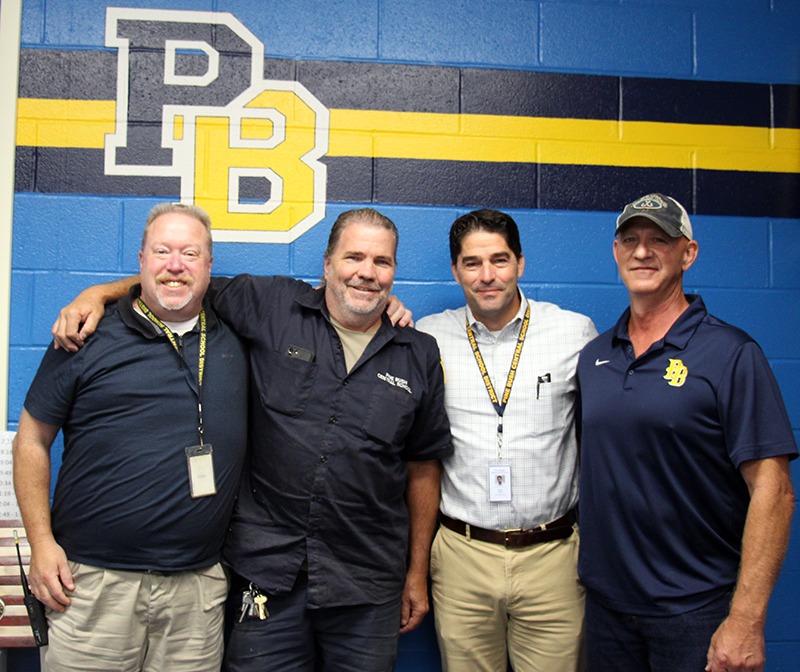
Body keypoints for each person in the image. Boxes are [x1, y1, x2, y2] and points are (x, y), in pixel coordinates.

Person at [51, 207, 453, 672]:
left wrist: (417, 573)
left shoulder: (417, 352)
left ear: (393, 272)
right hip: (267, 576)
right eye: (354, 257)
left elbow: (423, 468)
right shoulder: (270, 304)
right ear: (327, 265)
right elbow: (183, 280)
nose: (366, 272)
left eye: (381, 262)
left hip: (366, 581)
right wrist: (97, 293)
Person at [13, 204, 249, 672]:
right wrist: (41, 543)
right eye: (162, 251)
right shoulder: (85, 336)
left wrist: (389, 307)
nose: (175, 264)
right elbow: (32, 440)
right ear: (140, 260)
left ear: (209, 265)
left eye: (190, 253)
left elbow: (334, 305)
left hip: (196, 590)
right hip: (91, 585)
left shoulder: (240, 334)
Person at [577, 193, 797, 672]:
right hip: (606, 610)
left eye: (660, 240)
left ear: (688, 254)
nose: (642, 252)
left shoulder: (731, 353)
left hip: (695, 611)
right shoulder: (594, 355)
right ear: (616, 251)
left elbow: (774, 491)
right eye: (630, 240)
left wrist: (746, 619)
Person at [416, 209, 597, 672]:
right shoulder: (426, 337)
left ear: (520, 263)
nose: (487, 276)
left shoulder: (573, 333)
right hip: (462, 556)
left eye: (500, 260)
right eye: (472, 263)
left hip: (552, 556)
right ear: (456, 269)